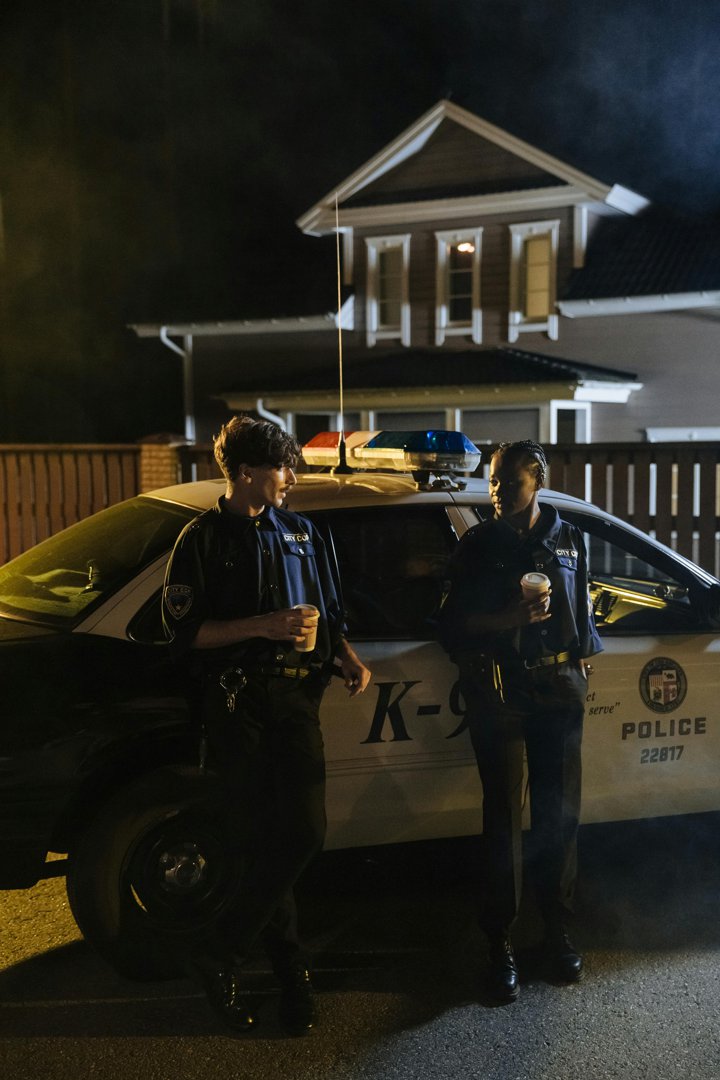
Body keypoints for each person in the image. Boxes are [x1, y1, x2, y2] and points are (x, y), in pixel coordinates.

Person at [162, 415, 371, 1034]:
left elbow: (329, 612)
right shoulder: (200, 540)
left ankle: (220, 953)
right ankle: (292, 977)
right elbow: (186, 634)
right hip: (238, 705)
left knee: (303, 833)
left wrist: (346, 655)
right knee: (262, 842)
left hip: (295, 705)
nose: (292, 477)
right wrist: (265, 626)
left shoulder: (304, 532)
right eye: (283, 467)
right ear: (248, 473)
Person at [438, 440, 602, 1004]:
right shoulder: (478, 544)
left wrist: (581, 658)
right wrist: (509, 617)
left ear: (538, 482)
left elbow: (582, 611)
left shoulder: (568, 537)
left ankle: (556, 930)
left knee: (560, 813)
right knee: (503, 818)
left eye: (509, 482)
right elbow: (451, 627)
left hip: (558, 687)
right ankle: (499, 941)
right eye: (493, 481)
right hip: (501, 689)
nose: (497, 491)